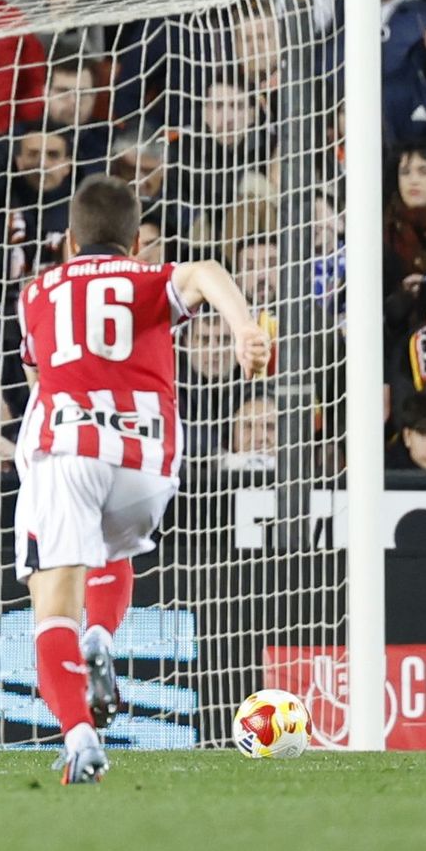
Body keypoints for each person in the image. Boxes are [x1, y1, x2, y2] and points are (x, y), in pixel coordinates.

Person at [13, 176, 270, 784]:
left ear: (69, 241)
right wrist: (244, 329)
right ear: (136, 244)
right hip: (148, 466)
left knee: (52, 608)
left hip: (68, 452)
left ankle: (80, 738)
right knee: (112, 548)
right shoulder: (150, 280)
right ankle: (101, 633)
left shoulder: (37, 291)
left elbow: (36, 378)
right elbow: (206, 271)